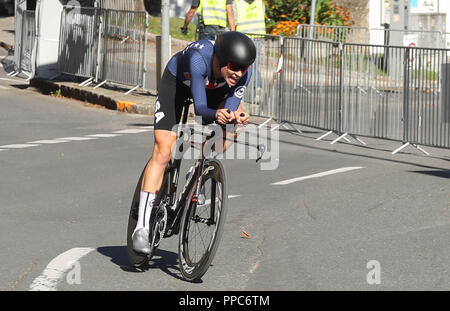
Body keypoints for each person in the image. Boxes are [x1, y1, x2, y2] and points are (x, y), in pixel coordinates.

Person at [132, 31, 256, 254]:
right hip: (178, 84)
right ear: (219, 58)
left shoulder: (241, 74)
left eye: (244, 68)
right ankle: (141, 228)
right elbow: (200, 110)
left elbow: (229, 106)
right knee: (163, 150)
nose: (239, 73)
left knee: (233, 126)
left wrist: (235, 116)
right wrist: (217, 115)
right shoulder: (199, 59)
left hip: (212, 91)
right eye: (234, 67)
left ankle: (198, 169)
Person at [231, 0, 266, 102]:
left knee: (242, 66)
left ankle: (240, 94)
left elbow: (235, 20)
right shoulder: (260, 2)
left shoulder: (236, 2)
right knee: (254, 67)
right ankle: (258, 89)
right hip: (257, 37)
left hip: (243, 39)